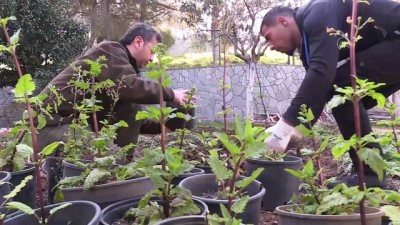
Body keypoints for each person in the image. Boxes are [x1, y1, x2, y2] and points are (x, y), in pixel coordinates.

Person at [260, 0, 400, 188]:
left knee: (343, 91)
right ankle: (368, 172)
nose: (270, 46)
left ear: (283, 21)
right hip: (391, 46)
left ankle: (370, 175)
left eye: (268, 37)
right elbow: (319, 90)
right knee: (343, 99)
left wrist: (284, 126)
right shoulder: (308, 46)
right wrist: (295, 133)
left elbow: (321, 73)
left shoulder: (316, 13)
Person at [37, 23, 193, 158]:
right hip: (51, 125)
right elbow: (129, 87)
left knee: (114, 162)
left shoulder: (122, 71)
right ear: (138, 42)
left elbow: (132, 115)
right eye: (152, 51)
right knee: (112, 160)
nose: (153, 59)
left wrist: (164, 125)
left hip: (70, 127)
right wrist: (171, 94)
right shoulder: (109, 51)